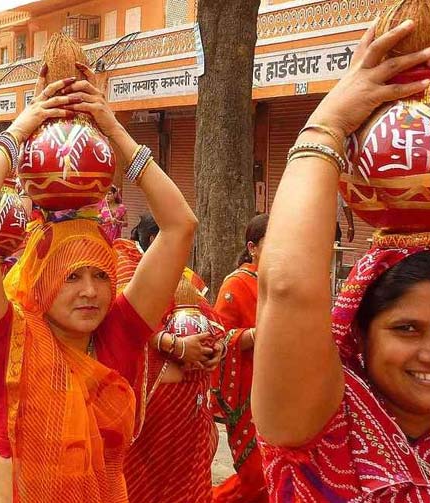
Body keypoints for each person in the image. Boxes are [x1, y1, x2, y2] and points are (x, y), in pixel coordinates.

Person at [0, 63, 197, 500]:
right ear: (41, 278)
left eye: (102, 276)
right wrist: (20, 128)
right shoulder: (3, 338)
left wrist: (113, 128)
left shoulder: (118, 334)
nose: (90, 291)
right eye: (72, 277)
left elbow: (181, 224)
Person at [252, 21, 430, 500]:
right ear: (359, 333)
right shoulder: (320, 426)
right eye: (407, 328)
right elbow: (288, 289)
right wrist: (326, 126)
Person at [116, 215, 225, 503]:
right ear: (156, 240)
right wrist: (176, 346)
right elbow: (124, 318)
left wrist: (217, 349)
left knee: (188, 485)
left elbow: (214, 321)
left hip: (188, 413)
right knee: (141, 485)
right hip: (149, 408)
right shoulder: (126, 265)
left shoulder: (185, 277)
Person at [210, 213, 269, 503]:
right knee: (255, 476)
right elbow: (220, 338)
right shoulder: (237, 285)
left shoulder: (285, 281)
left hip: (283, 387)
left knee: (276, 471)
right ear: (252, 247)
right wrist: (261, 333)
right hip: (249, 391)